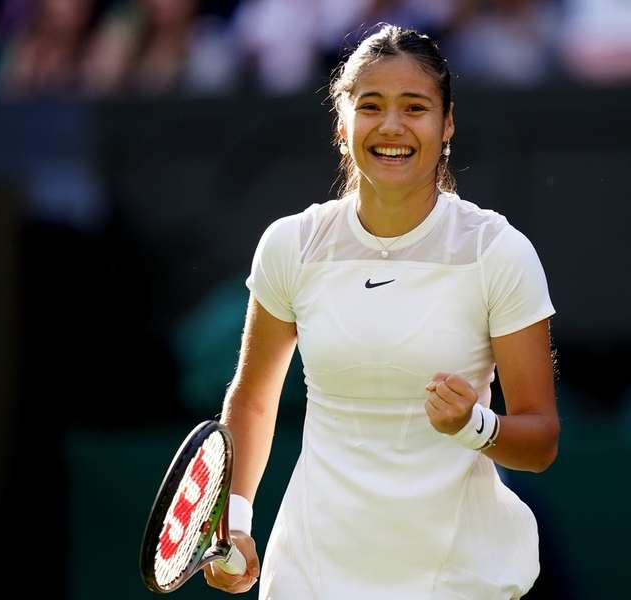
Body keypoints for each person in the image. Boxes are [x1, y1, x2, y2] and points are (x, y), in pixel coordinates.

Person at [205, 24, 560, 599]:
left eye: (414, 107)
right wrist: (237, 524)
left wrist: (475, 424)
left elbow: (540, 439)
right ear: (342, 125)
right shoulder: (291, 245)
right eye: (370, 106)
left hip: (454, 581)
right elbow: (252, 398)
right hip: (310, 577)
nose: (391, 126)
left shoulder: (498, 252)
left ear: (446, 125)